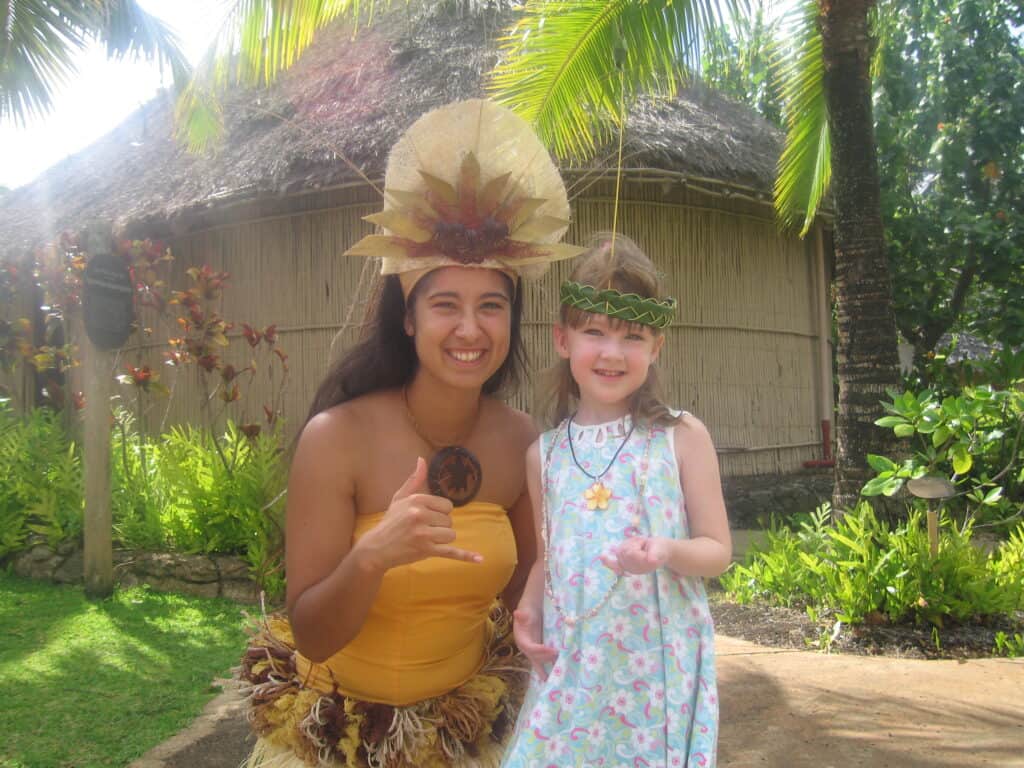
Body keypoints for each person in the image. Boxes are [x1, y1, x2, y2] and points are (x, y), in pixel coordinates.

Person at [238, 99, 585, 768]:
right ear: (407, 319)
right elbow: (311, 632)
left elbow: (528, 602)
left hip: (455, 735)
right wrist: (373, 557)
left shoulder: (520, 442)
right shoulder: (337, 438)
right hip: (334, 740)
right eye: (444, 305)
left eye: (491, 306)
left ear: (513, 321)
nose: (469, 329)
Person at [502, 233, 733, 768]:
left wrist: (666, 552)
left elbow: (717, 549)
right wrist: (528, 609)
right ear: (563, 339)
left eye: (633, 337)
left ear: (657, 348)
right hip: (573, 666)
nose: (611, 352)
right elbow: (547, 557)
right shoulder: (545, 455)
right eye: (594, 332)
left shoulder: (680, 436)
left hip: (655, 675)